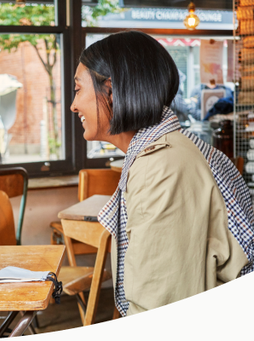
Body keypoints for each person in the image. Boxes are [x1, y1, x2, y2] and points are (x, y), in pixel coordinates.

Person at [70, 31, 253, 317]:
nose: (73, 105)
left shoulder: (162, 167)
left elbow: (160, 309)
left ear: (112, 90)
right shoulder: (167, 150)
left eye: (78, 89)